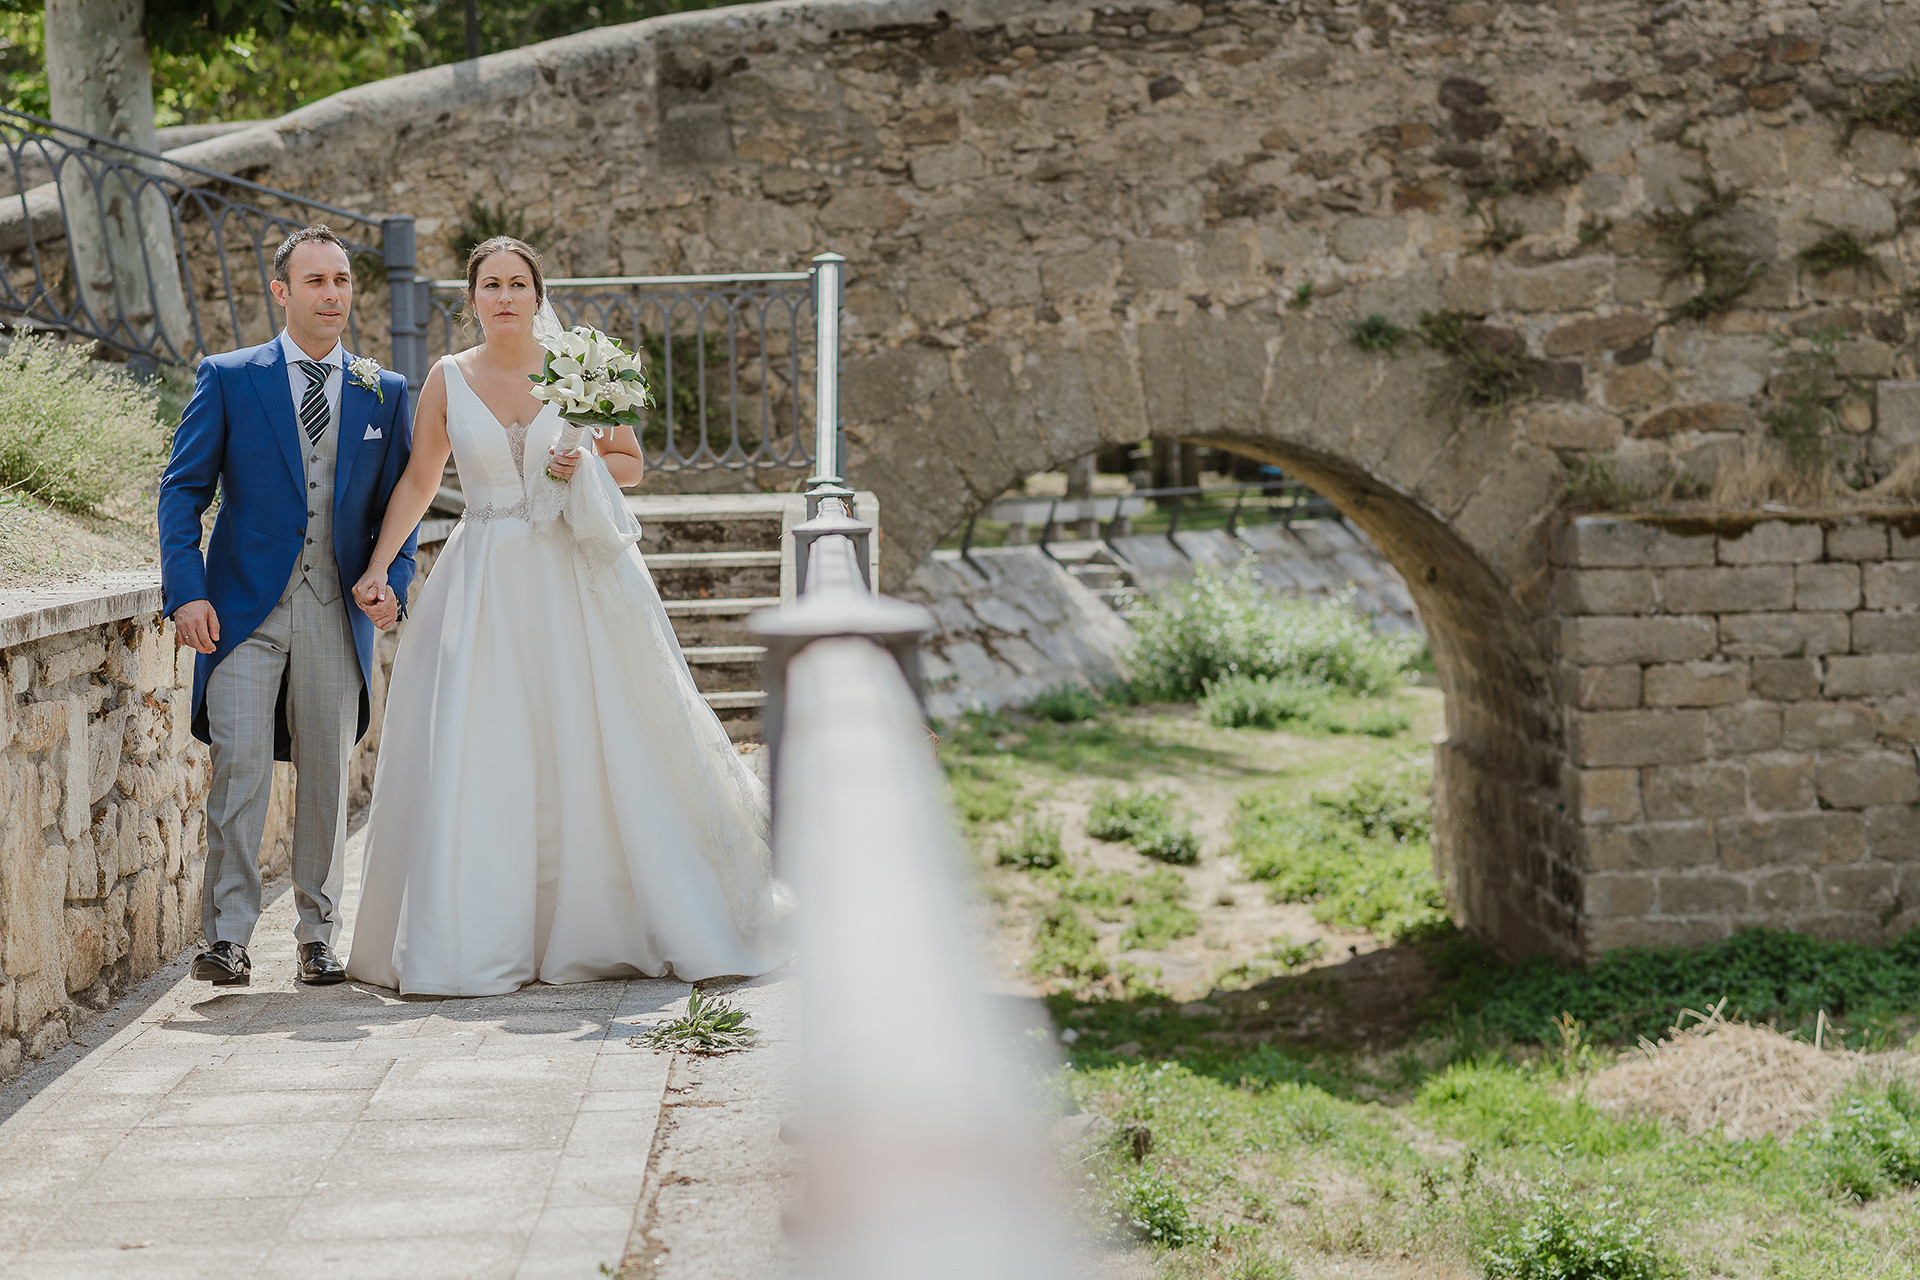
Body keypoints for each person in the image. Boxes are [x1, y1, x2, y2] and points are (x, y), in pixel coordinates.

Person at [344, 236, 788, 996]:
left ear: (537, 295)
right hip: (482, 576)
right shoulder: (447, 378)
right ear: (472, 298)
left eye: (519, 283)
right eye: (491, 285)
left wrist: (582, 463)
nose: (506, 297)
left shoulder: (577, 366)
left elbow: (630, 464)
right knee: (485, 741)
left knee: (587, 732)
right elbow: (422, 477)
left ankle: (600, 921)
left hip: (570, 573)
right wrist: (382, 564)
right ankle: (480, 931)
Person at [158, 225, 416, 988]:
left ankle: (316, 936)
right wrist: (187, 591)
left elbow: (401, 506)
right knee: (239, 768)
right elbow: (182, 490)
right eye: (316, 281)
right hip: (242, 611)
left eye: (341, 280)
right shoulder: (231, 377)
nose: (333, 294)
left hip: (336, 611)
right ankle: (229, 938)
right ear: (281, 291)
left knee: (327, 775)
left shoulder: (384, 391)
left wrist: (390, 578)